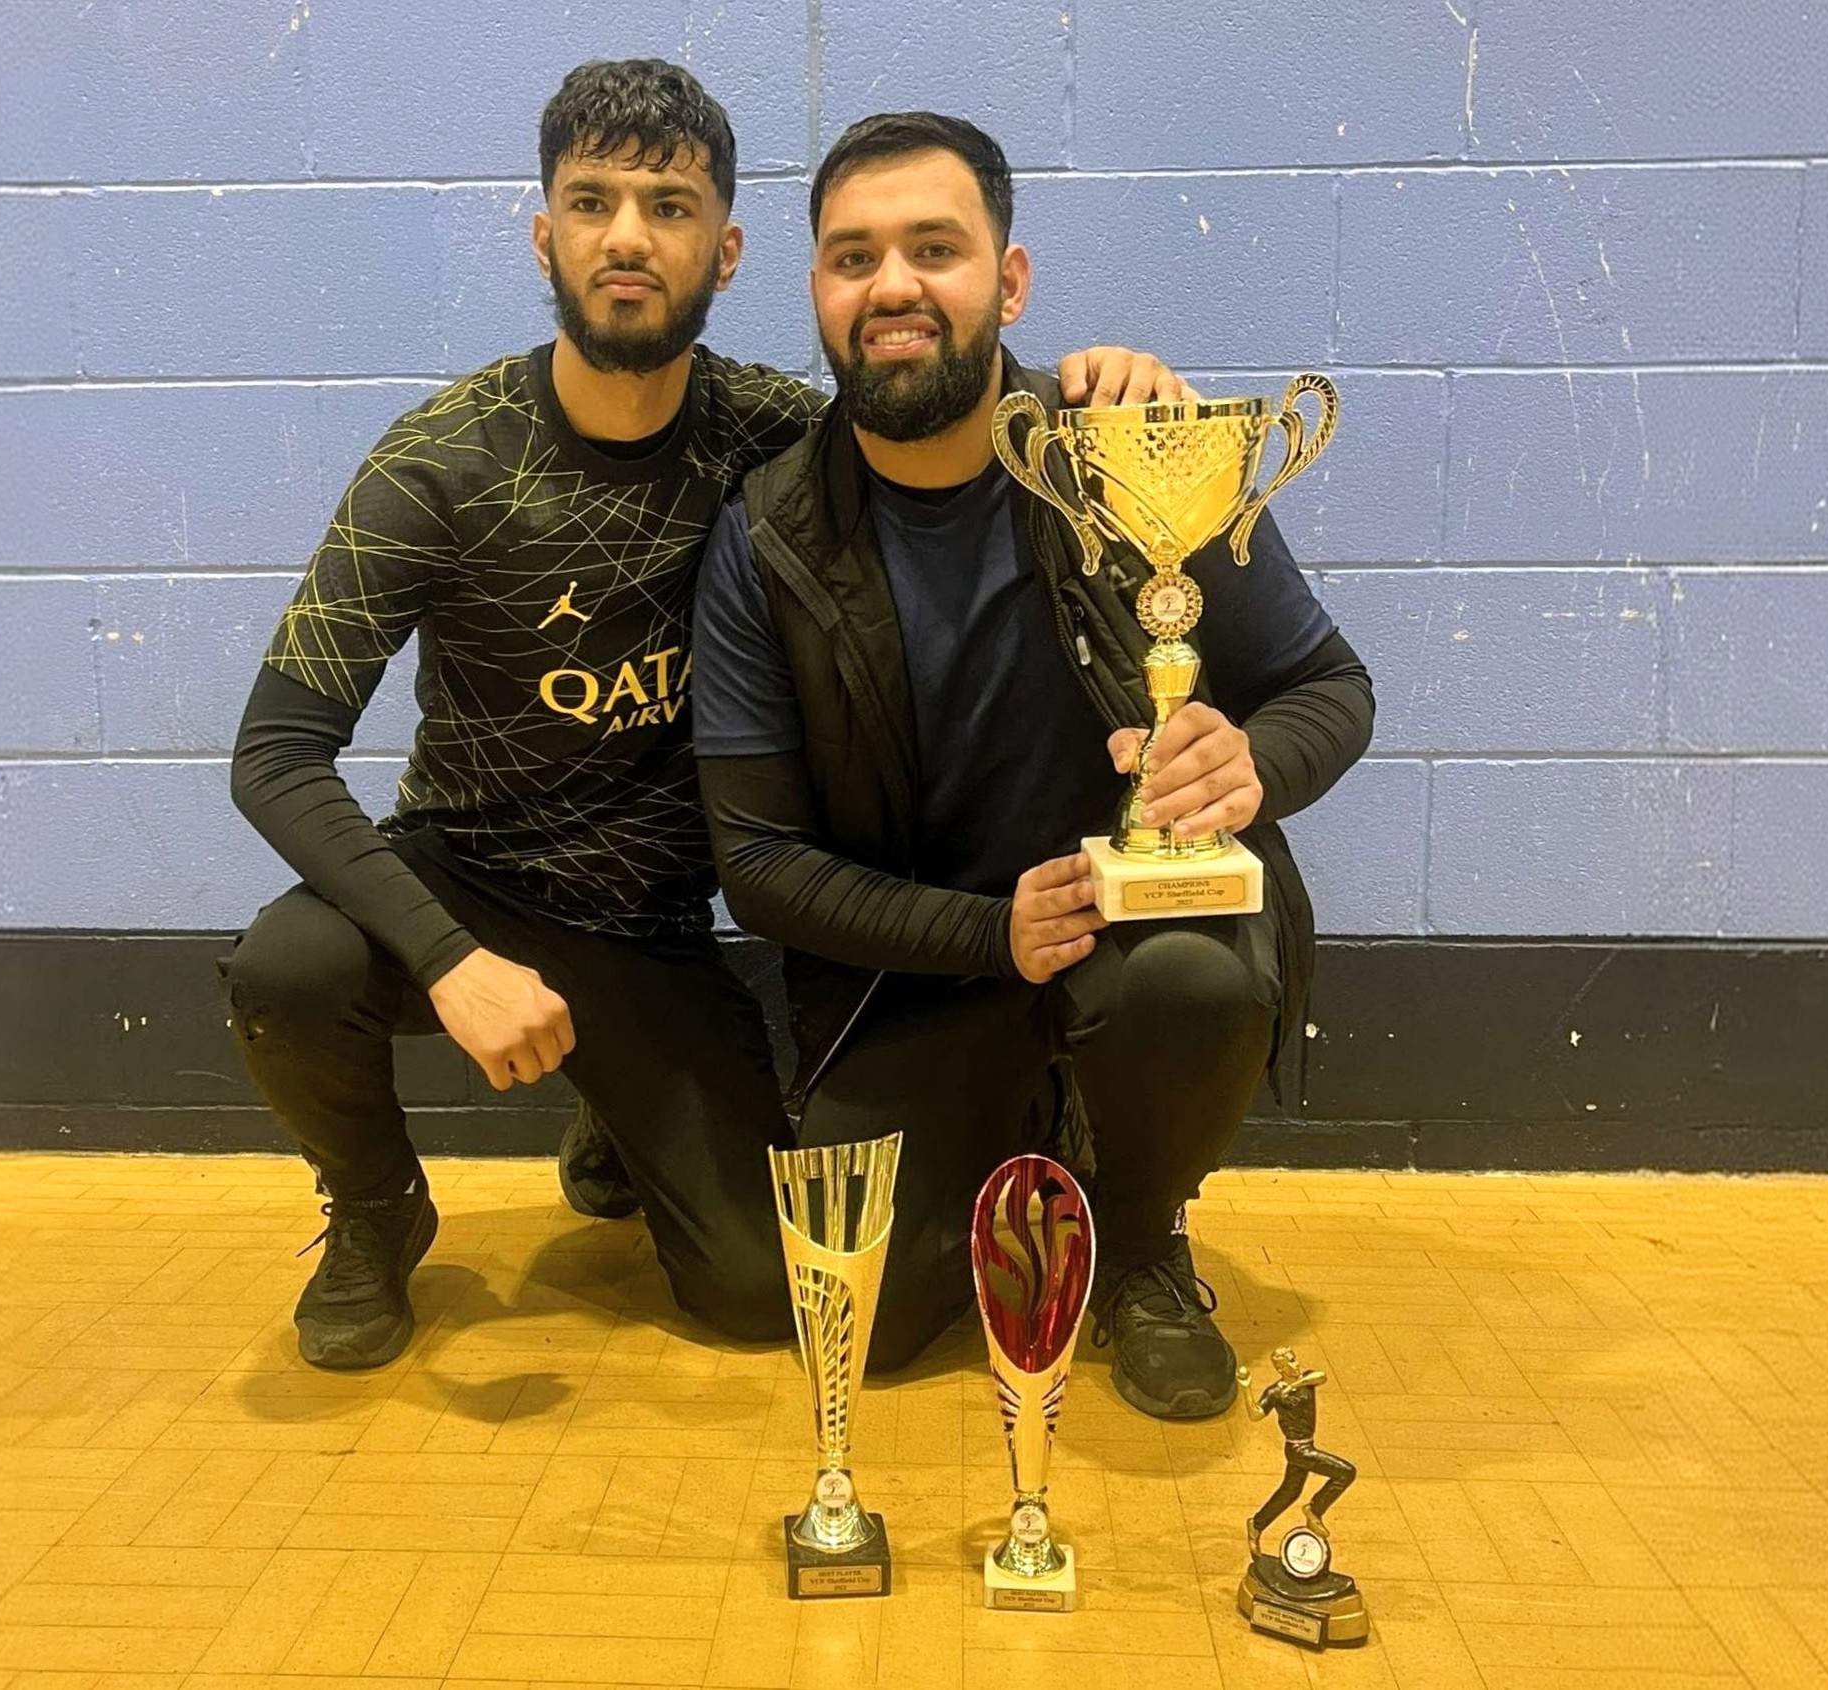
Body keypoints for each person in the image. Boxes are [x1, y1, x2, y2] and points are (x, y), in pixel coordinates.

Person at [223, 61, 1187, 1369]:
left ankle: (626, 1111)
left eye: (668, 206)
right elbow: (276, 755)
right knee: (290, 967)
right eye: (593, 200)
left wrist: (1096, 389)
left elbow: (944, 412)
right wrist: (451, 959)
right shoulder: (434, 466)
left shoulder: (774, 436)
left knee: (758, 1298)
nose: (628, 234)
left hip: (659, 933)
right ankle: (376, 1207)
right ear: (546, 236)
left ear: (725, 253)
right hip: (469, 883)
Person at [692, 112, 1376, 1418]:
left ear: (1008, 282)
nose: (891, 284)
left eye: (933, 248)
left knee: (1184, 980)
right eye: (852, 257)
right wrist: (989, 932)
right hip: (927, 964)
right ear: (821, 293)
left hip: (1135, 941)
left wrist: (1250, 763)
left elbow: (1330, 689)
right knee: (873, 1323)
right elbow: (761, 864)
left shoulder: (1134, 447)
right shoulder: (766, 535)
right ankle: (1033, 1118)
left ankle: (1139, 1235)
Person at [1238, 1349, 1356, 1554]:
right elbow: (1256, 1414)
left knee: (1289, 1492)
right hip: (1297, 1449)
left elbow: (1322, 1376)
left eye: (1294, 1359)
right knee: (1346, 1472)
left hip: (1308, 1444)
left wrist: (1294, 1384)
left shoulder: (1306, 1380)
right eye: (1290, 1361)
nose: (1296, 1363)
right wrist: (1246, 1388)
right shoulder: (1275, 1392)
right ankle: (1314, 1509)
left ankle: (1256, 1524)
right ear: (1280, 1368)